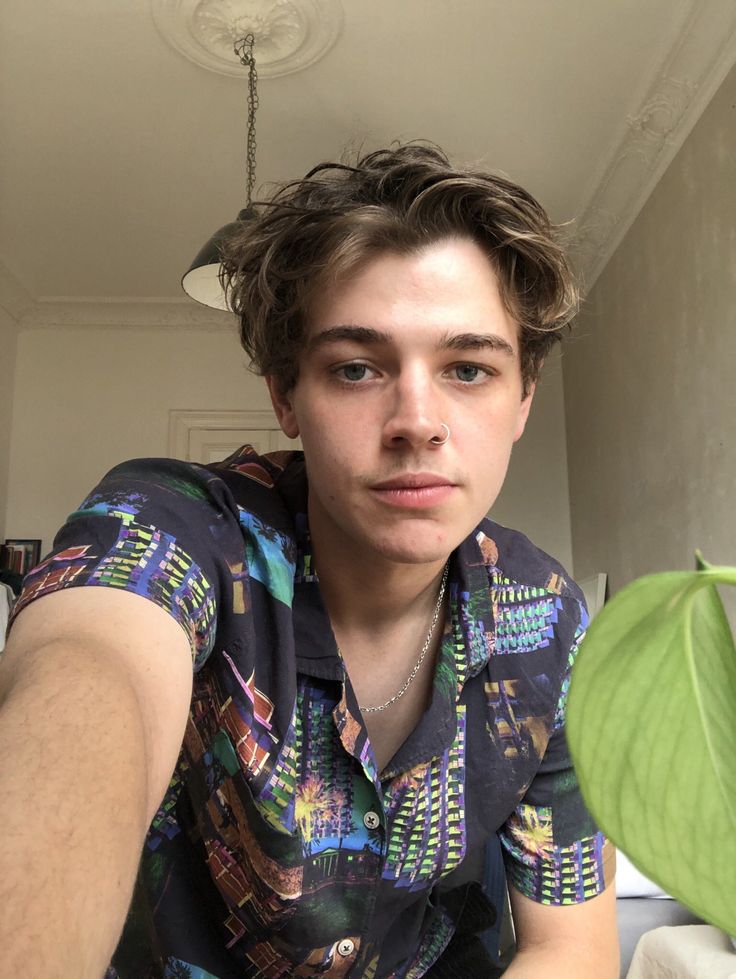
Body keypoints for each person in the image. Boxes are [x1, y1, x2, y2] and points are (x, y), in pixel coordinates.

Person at [0, 144, 618, 978]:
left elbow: (568, 946)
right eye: (357, 367)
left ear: (523, 399)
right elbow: (89, 669)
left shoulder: (545, 616)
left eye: (468, 368)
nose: (417, 421)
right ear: (286, 397)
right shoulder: (180, 526)